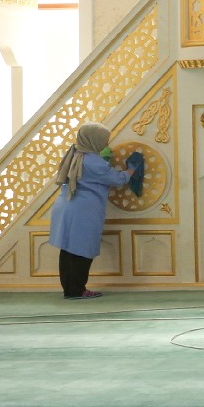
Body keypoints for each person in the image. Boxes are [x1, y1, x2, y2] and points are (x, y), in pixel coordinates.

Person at [49, 122, 135, 299]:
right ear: (94, 140)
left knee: (68, 251)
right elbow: (116, 179)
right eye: (104, 139)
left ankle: (70, 290)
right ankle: (78, 290)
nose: (106, 143)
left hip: (66, 205)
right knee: (81, 251)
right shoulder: (93, 161)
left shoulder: (75, 153)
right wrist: (131, 171)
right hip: (82, 209)